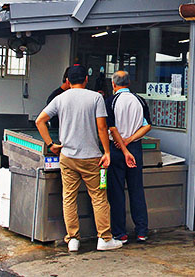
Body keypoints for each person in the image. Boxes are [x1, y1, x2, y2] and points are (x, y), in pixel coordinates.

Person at [35, 65, 122, 253]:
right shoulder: (96, 98)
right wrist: (106, 152)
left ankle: (73, 239)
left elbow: (39, 120)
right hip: (93, 159)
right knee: (99, 197)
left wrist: (51, 144)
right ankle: (104, 239)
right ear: (85, 79)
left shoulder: (60, 99)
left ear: (68, 81)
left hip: (67, 157)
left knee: (69, 197)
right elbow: (101, 128)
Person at [106, 70, 151, 243]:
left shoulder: (110, 101)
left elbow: (111, 128)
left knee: (116, 191)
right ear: (129, 83)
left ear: (113, 84)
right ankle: (142, 231)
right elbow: (147, 126)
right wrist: (131, 140)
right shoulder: (139, 100)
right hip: (135, 148)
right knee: (136, 189)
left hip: (117, 149)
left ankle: (120, 233)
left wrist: (122, 144)